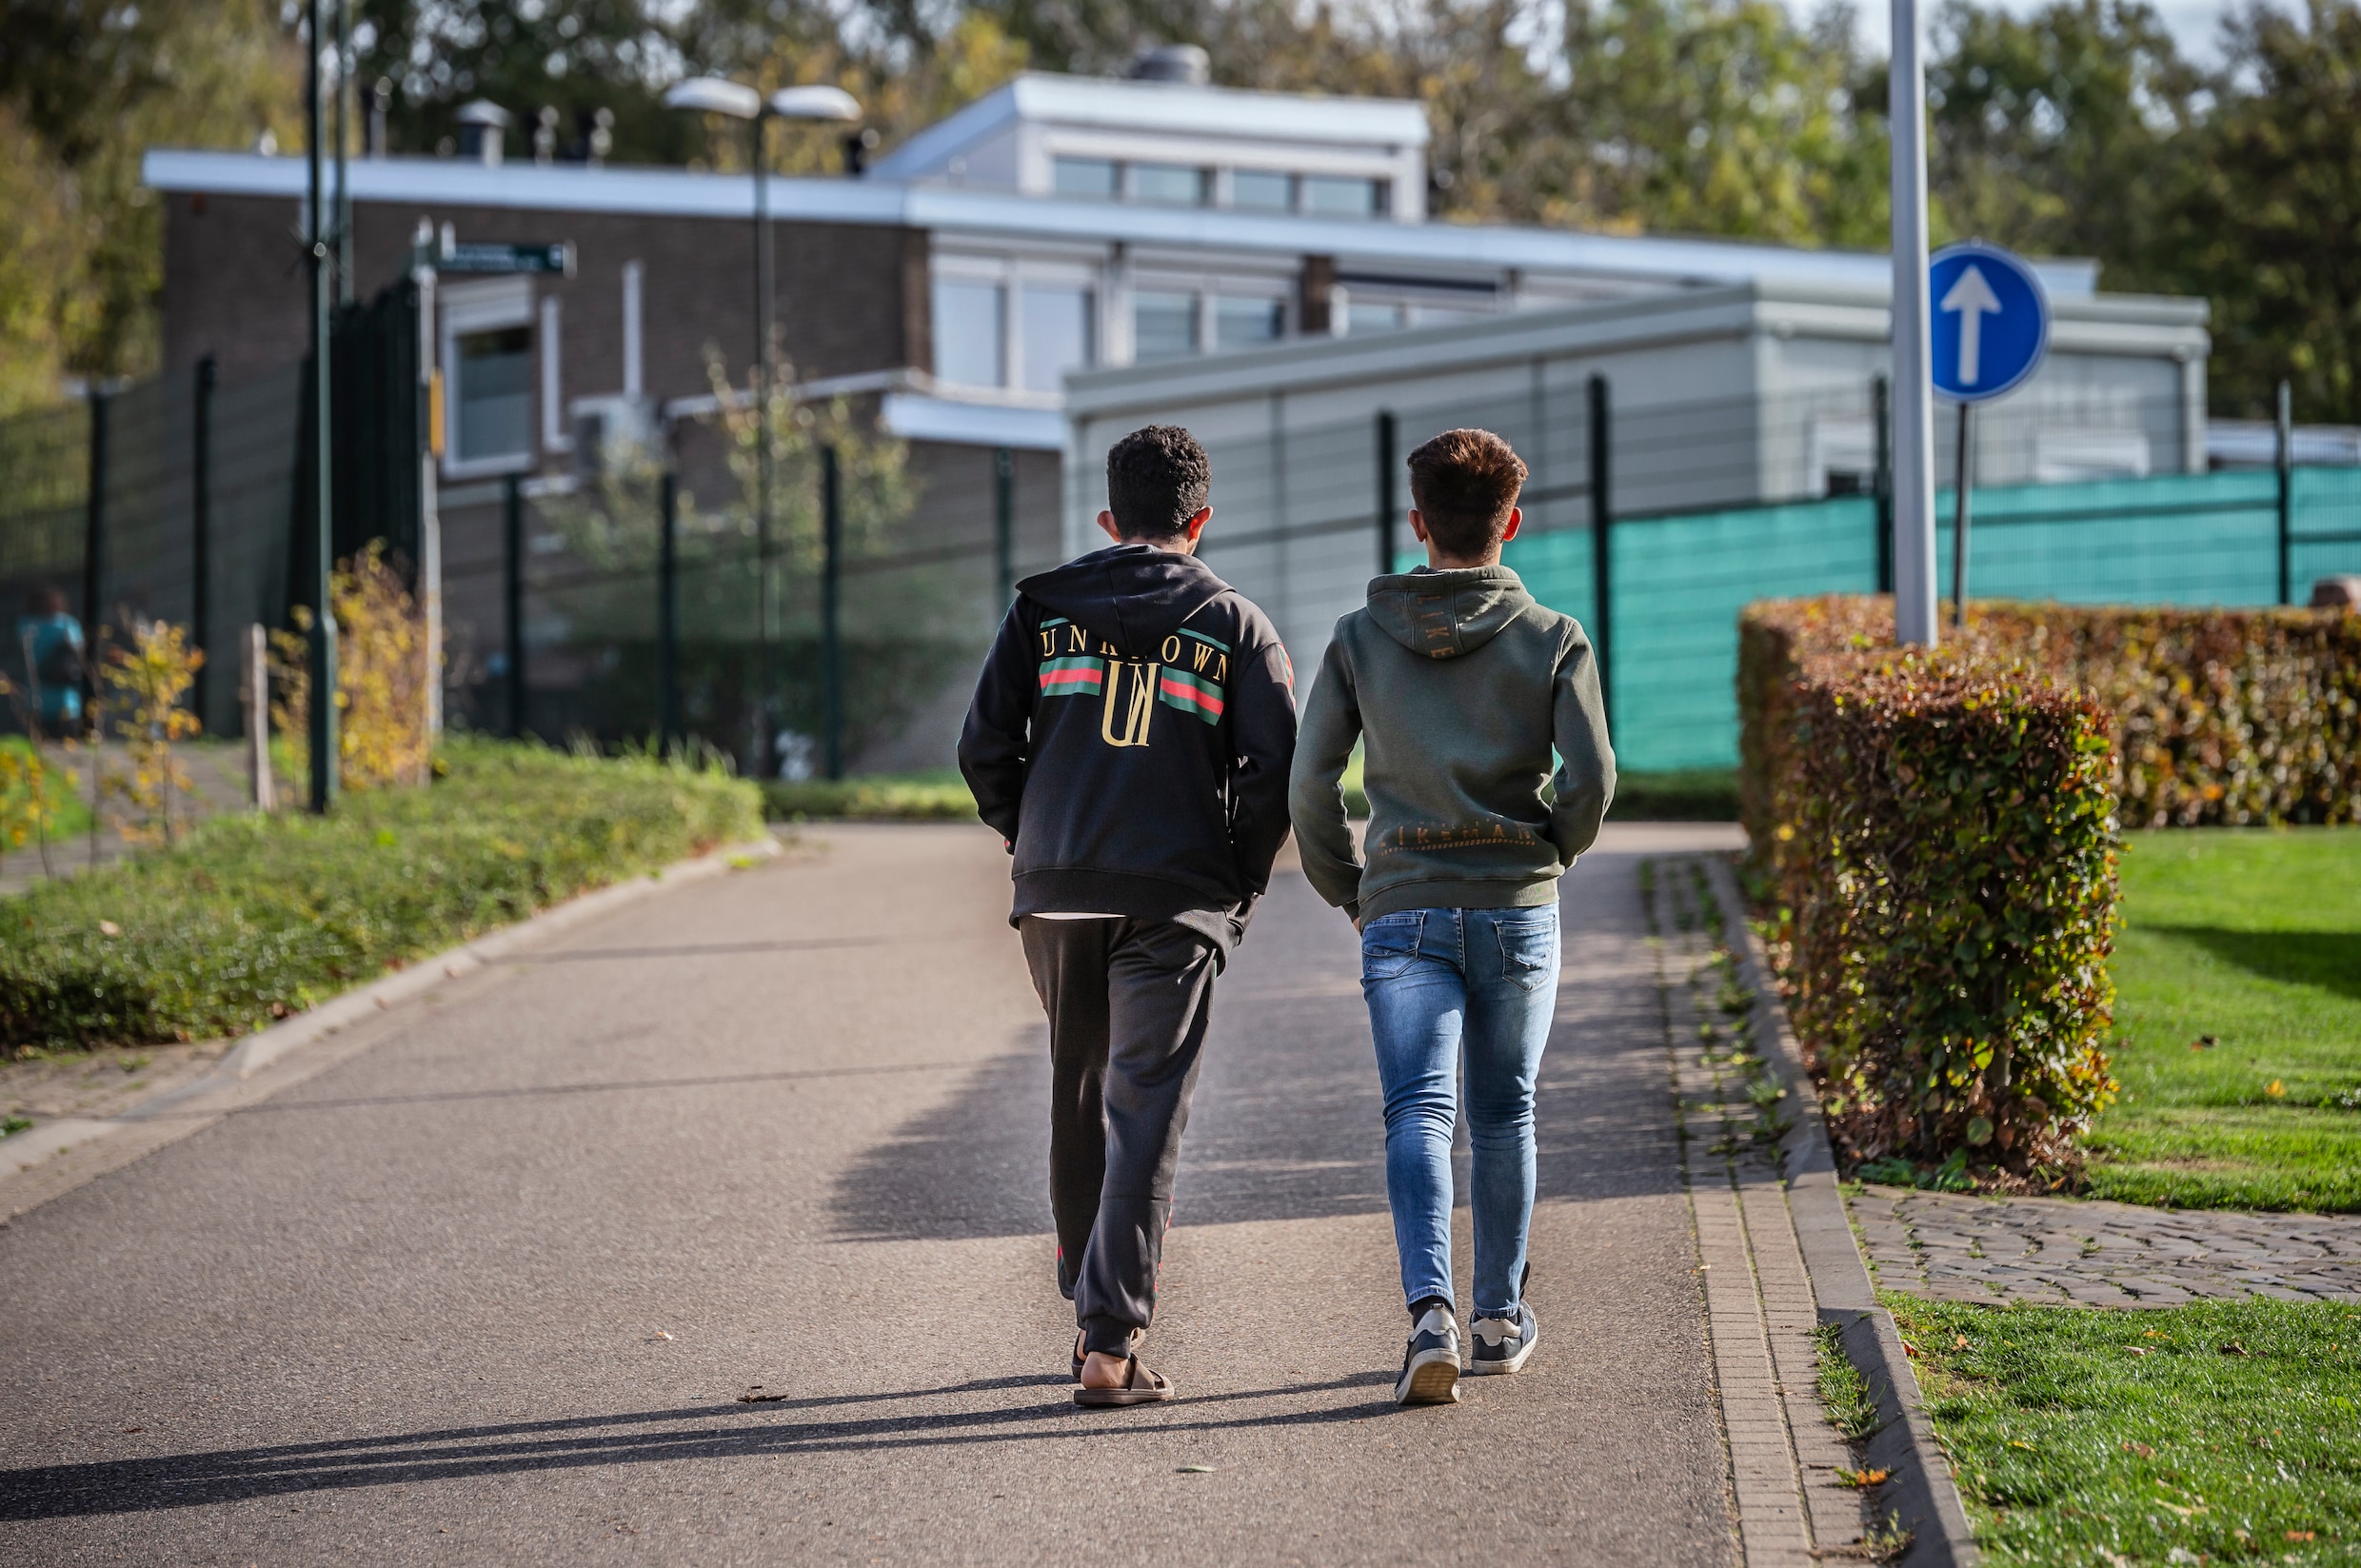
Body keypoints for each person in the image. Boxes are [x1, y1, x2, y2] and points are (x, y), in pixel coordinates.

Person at [959, 426, 1297, 1408]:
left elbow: (983, 746)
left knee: (1080, 1089)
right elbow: (1270, 771)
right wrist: (1233, 884)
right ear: (1199, 521)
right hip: (1173, 899)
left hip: (1058, 894)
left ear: (1107, 519)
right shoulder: (1234, 622)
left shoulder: (1038, 611)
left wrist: (1035, 842)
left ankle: (1088, 1308)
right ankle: (1108, 1338)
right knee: (1144, 1106)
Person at [1287, 427, 1615, 1407]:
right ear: (1509, 523)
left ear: (1416, 523)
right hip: (1516, 909)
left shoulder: (1355, 638)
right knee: (1503, 1111)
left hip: (1402, 910)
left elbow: (1310, 783)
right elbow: (1592, 777)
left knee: (1415, 1113)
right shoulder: (1552, 637)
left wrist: (1348, 887)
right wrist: (1550, 848)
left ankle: (1425, 1313)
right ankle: (1497, 1317)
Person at [17, 588, 86, 739]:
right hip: (66, 703)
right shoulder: (67, 624)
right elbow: (79, 649)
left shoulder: (26, 625)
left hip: (37, 699)